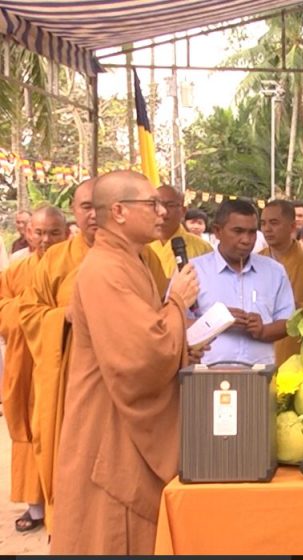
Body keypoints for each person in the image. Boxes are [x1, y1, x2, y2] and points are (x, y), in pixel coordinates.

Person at [50, 170, 199, 555]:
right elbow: (141, 356)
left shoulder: (132, 260)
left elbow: (147, 332)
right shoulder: (105, 269)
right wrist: (178, 303)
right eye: (151, 204)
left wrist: (182, 340)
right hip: (108, 427)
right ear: (118, 211)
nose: (162, 212)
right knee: (110, 535)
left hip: (123, 418)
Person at [18, 179, 101, 530]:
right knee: (70, 455)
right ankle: (67, 527)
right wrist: (63, 316)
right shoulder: (54, 259)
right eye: (86, 207)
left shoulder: (141, 257)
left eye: (100, 206)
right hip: (67, 377)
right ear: (75, 213)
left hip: (121, 379)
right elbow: (27, 313)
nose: (94, 215)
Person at [1, 206, 67, 533]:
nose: (45, 240)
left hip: (58, 361)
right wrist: (28, 311)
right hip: (24, 360)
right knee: (26, 428)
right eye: (39, 232)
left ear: (66, 234)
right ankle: (35, 505)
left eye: (53, 233)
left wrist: (46, 315)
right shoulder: (17, 270)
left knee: (58, 427)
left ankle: (63, 505)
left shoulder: (74, 267)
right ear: (28, 233)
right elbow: (3, 309)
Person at [194, 200, 294, 366]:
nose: (246, 240)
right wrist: (217, 321)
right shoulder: (194, 271)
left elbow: (288, 322)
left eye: (252, 232)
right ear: (217, 231)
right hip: (208, 372)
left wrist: (263, 331)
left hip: (261, 373)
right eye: (238, 231)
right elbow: (175, 323)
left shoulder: (274, 271)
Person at [261, 200, 303, 363]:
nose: (267, 229)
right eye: (263, 223)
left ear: (293, 226)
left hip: (298, 351)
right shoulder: (255, 261)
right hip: (260, 350)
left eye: (274, 223)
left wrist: (294, 308)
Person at [146, 185, 212, 279]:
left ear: (183, 211)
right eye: (156, 204)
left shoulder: (202, 248)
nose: (162, 211)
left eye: (170, 205)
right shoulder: (141, 244)